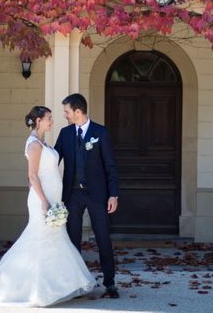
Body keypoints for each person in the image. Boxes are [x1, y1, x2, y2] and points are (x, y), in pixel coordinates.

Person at [0, 106, 95, 307]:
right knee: (39, 239)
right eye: (49, 118)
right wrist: (44, 201)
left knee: (56, 239)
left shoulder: (43, 142)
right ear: (39, 120)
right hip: (43, 199)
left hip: (53, 198)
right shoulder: (34, 145)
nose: (52, 121)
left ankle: (61, 285)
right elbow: (32, 175)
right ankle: (35, 288)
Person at [54, 93, 120, 298]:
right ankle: (75, 284)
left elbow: (110, 166)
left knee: (103, 239)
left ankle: (109, 283)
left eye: (67, 111)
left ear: (77, 111)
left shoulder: (100, 132)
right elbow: (53, 159)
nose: (65, 115)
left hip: (97, 195)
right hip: (72, 195)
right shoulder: (65, 134)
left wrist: (113, 195)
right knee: (73, 240)